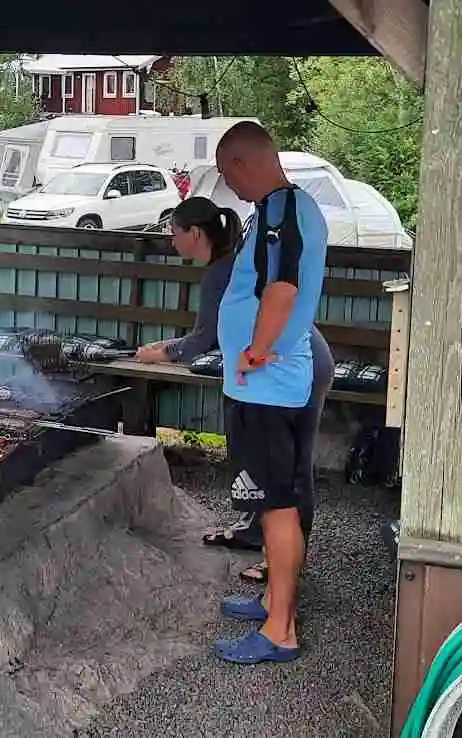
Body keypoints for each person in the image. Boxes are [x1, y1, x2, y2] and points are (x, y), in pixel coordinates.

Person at [135, 197, 335, 584]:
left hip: (297, 366)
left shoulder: (223, 271)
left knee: (291, 468)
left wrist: (162, 352)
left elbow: (205, 337)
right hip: (281, 365)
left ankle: (286, 564)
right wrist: (168, 349)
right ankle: (256, 532)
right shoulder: (227, 264)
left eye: (174, 233)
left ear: (195, 233)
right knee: (263, 464)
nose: (172, 242)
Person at [206, 122, 327, 665]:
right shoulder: (286, 208)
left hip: (267, 386)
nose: (229, 189)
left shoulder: (282, 210)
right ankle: (272, 601)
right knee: (279, 502)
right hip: (271, 384)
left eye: (227, 174)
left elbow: (282, 287)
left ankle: (280, 631)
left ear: (241, 163)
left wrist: (254, 349)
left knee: (276, 509)